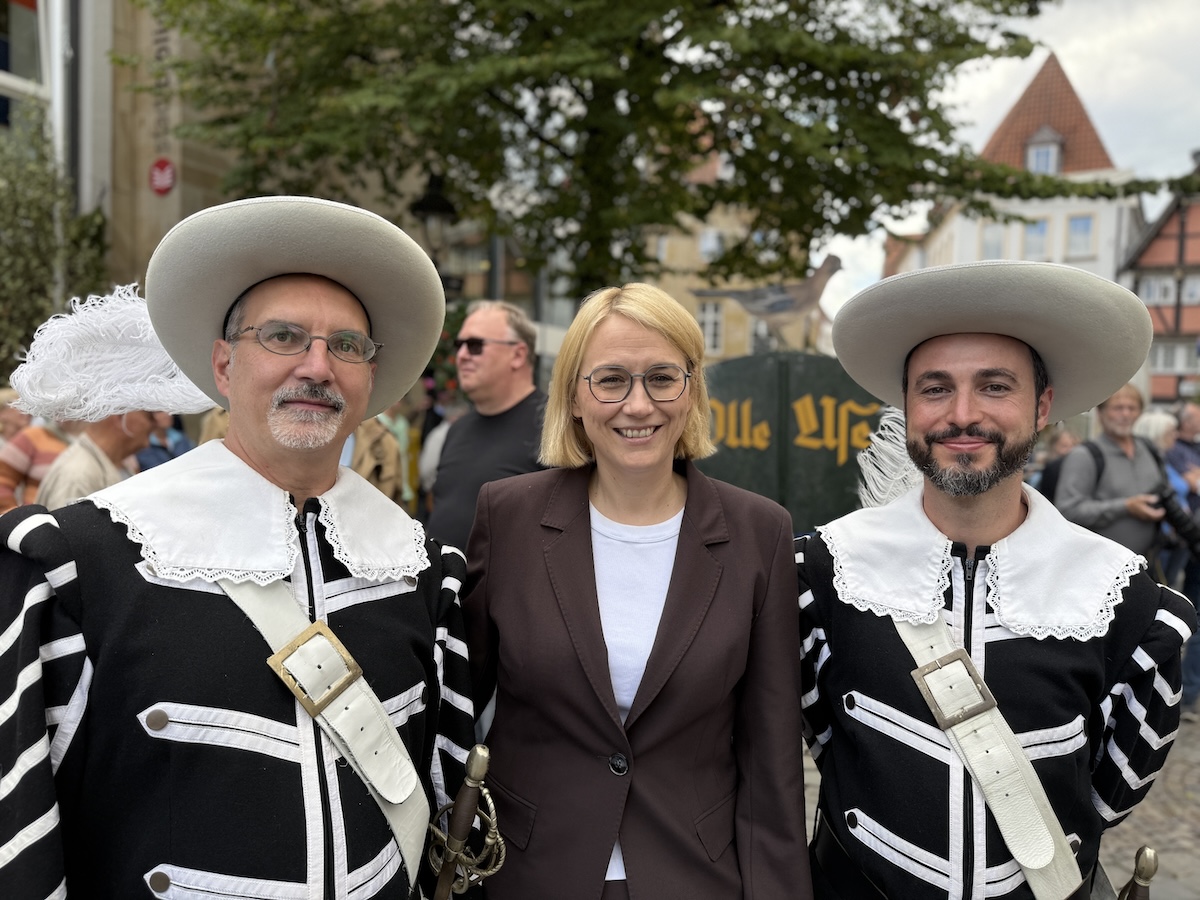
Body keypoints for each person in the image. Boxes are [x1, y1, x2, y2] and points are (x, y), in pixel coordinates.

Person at [0, 197, 475, 897]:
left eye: (346, 345)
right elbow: (21, 835)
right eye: (284, 337)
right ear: (223, 365)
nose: (317, 366)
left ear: (368, 376)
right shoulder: (71, 564)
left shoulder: (424, 574)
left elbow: (444, 822)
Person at [797, 260, 1195, 900]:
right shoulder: (821, 579)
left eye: (994, 387)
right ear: (906, 407)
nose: (962, 414)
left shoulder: (1131, 607)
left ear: (1041, 407)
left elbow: (1107, 796)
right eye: (934, 389)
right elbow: (823, 743)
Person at [464, 283, 810, 899]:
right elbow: (462, 711)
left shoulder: (761, 532)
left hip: (694, 875)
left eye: (661, 377)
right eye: (611, 379)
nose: (638, 404)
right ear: (574, 395)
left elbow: (771, 756)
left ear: (692, 389)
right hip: (530, 872)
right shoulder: (507, 518)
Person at [425, 299, 545, 550]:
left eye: (475, 345)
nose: (461, 355)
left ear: (518, 355)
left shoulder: (555, 427)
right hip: (444, 587)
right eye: (459, 345)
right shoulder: (457, 430)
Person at [1055, 383, 1165, 556]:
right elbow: (1068, 510)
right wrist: (1126, 506)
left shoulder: (1147, 449)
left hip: (1148, 560)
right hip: (1102, 566)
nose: (1126, 414)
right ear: (1101, 413)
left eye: (1132, 408)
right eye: (1118, 408)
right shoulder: (1084, 456)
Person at [34, 410, 157, 509]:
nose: (155, 423)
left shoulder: (115, 464)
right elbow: (70, 538)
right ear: (120, 414)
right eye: (149, 415)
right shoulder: (79, 474)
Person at [0, 419, 75, 511]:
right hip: (37, 520)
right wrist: (14, 517)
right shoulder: (35, 435)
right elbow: (2, 479)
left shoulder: (94, 440)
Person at [1030, 424, 1078, 503]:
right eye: (1064, 446)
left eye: (1073, 446)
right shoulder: (1040, 476)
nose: (1070, 451)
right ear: (1053, 446)